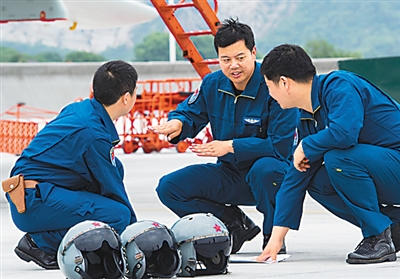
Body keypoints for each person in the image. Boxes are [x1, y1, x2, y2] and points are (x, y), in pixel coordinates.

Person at [149, 18, 298, 254]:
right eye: (225, 59)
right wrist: (177, 123)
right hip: (231, 173)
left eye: (240, 57)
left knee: (266, 170)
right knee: (170, 187)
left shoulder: (275, 86)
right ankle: (233, 224)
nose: (233, 66)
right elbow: (190, 113)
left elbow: (280, 147)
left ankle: (273, 236)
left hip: (273, 175)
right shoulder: (212, 83)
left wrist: (231, 146)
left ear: (254, 52)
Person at [256, 44, 400, 264]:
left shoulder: (339, 86)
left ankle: (377, 238)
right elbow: (296, 177)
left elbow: (345, 133)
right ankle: (393, 229)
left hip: (395, 161)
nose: (270, 94)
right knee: (316, 180)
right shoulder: (305, 117)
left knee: (339, 159)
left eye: (269, 86)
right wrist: (276, 240)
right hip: (388, 172)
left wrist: (307, 145)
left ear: (284, 83)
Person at [2, 60, 138, 269]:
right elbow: (113, 190)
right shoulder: (94, 135)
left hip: (34, 193)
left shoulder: (80, 109)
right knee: (118, 216)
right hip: (33, 203)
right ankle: (40, 243)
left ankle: (48, 236)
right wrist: (135, 235)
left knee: (116, 167)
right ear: (126, 97)